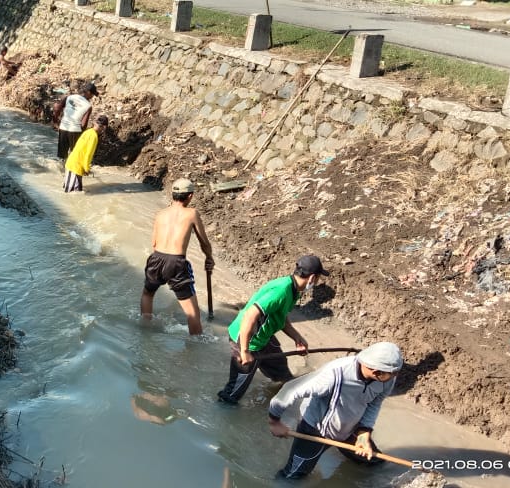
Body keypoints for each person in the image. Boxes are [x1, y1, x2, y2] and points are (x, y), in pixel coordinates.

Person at [267, 342, 402, 479]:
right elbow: (289, 390)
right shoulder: (334, 374)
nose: (395, 376)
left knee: (374, 462)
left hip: (351, 429)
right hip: (316, 430)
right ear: (376, 372)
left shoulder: (387, 380)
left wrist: (364, 432)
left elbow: (374, 404)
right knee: (293, 475)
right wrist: (274, 421)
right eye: (393, 373)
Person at [216, 255, 326, 404]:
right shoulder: (281, 291)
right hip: (246, 340)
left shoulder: (293, 289)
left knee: (283, 374)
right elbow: (250, 315)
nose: (317, 282)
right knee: (232, 393)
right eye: (318, 278)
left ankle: (285, 397)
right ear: (312, 278)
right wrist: (245, 351)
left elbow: (280, 316)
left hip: (264, 337)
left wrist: (297, 337)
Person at [140, 178, 215, 335]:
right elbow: (204, 242)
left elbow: (154, 242)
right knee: (192, 312)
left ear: (173, 194)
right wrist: (209, 257)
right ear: (190, 196)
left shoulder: (160, 214)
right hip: (176, 262)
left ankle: (145, 331)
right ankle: (196, 343)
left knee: (148, 294)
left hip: (156, 258)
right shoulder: (192, 213)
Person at [62, 115, 108, 193]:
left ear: (95, 123)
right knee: (73, 193)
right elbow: (88, 154)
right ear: (104, 127)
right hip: (76, 167)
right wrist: (86, 169)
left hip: (71, 163)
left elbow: (77, 147)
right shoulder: (94, 136)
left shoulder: (88, 131)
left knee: (72, 193)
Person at [53, 82, 98, 159]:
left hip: (63, 127)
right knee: (74, 155)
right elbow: (83, 124)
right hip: (75, 130)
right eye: (92, 94)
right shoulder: (88, 106)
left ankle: (60, 166)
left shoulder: (69, 97)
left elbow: (57, 108)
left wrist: (55, 122)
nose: (92, 97)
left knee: (61, 156)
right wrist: (82, 136)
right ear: (88, 92)